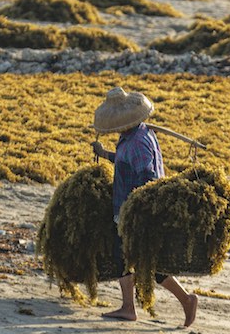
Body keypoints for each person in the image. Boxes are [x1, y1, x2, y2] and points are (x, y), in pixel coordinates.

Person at [91, 86, 198, 328]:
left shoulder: (138, 142)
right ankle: (184, 300)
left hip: (136, 212)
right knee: (144, 261)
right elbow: (124, 161)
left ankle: (132, 308)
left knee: (127, 257)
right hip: (131, 210)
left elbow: (148, 178)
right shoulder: (136, 134)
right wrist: (105, 153)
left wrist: (135, 211)